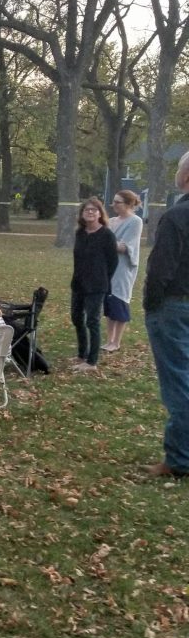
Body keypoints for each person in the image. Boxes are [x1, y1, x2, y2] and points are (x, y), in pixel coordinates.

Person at [143, 151, 189, 478]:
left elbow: (160, 270)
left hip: (174, 307)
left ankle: (180, 459)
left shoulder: (177, 217)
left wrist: (151, 304)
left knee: (179, 383)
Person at [70, 197, 118, 372]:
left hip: (97, 286)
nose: (90, 212)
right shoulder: (80, 233)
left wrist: (103, 279)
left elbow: (113, 262)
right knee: (76, 318)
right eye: (87, 210)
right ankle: (82, 353)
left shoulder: (106, 235)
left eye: (94, 210)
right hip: (78, 283)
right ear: (82, 214)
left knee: (92, 321)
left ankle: (91, 361)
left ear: (100, 213)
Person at [102, 190, 144, 352]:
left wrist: (104, 242)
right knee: (109, 303)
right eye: (113, 201)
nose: (114, 205)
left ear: (128, 204)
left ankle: (116, 342)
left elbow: (124, 246)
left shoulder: (135, 221)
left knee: (119, 301)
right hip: (108, 267)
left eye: (117, 202)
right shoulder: (111, 221)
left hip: (123, 268)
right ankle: (109, 340)